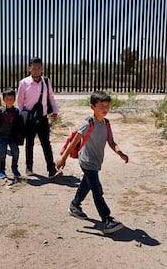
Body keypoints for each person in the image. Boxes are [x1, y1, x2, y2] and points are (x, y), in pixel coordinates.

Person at [56, 90, 129, 234]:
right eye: (102, 106)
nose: (105, 109)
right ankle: (107, 219)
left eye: (107, 106)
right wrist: (63, 158)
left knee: (87, 184)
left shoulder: (106, 124)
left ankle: (74, 205)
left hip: (96, 161)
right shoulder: (88, 123)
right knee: (97, 190)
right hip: (87, 161)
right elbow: (75, 140)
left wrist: (120, 153)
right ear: (92, 107)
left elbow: (111, 141)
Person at [17, 57, 59, 177]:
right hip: (29, 118)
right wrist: (22, 118)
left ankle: (51, 169)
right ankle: (29, 167)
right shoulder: (24, 83)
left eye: (39, 68)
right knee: (29, 143)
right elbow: (20, 102)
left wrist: (55, 111)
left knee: (46, 142)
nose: (36, 70)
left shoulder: (46, 81)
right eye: (34, 68)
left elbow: (51, 97)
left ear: (42, 69)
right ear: (29, 68)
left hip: (43, 117)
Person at [0, 88, 21, 179]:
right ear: (3, 99)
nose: (9, 101)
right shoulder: (0, 110)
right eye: (7, 99)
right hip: (2, 136)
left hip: (13, 136)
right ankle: (1, 170)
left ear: (14, 99)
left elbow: (19, 123)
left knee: (16, 152)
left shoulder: (16, 111)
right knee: (2, 154)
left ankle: (14, 168)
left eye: (11, 99)